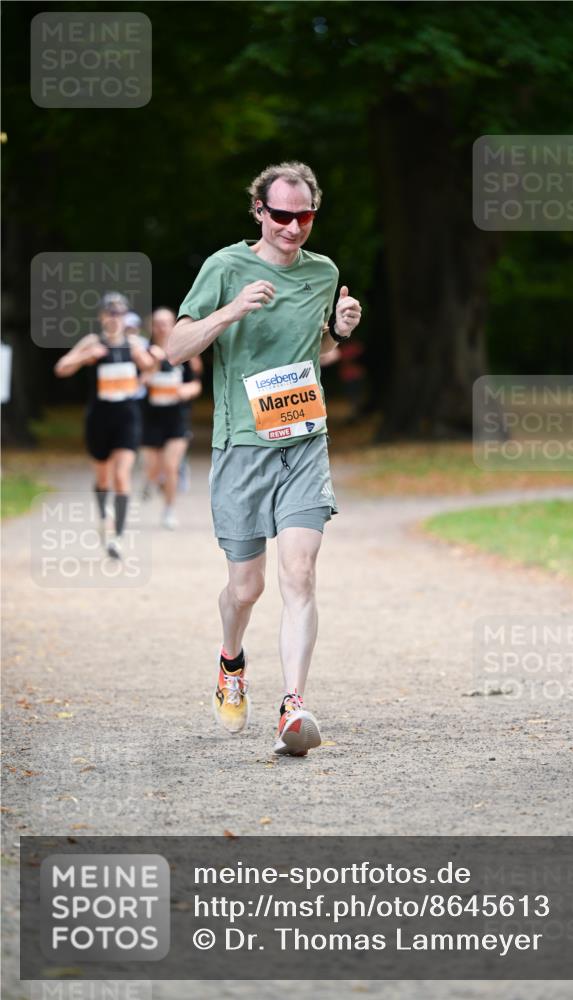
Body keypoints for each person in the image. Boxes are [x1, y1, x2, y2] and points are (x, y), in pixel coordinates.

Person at [168, 161, 361, 755]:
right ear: (259, 211)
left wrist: (340, 329)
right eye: (282, 215)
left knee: (300, 574)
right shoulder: (225, 268)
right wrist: (231, 311)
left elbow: (317, 349)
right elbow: (174, 347)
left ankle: (294, 704)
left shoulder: (323, 272)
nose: (294, 227)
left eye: (305, 216)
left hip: (303, 441)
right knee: (246, 589)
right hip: (242, 447)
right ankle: (231, 659)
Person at [54, 291, 155, 558]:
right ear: (101, 317)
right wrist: (85, 356)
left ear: (125, 317)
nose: (114, 318)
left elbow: (150, 368)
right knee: (103, 478)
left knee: (122, 476)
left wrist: (141, 359)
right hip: (99, 418)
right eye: (110, 313)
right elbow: (61, 367)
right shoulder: (92, 341)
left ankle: (117, 537)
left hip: (127, 418)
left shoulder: (133, 343)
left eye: (119, 313)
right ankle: (103, 517)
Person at [141, 307, 202, 529]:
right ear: (151, 327)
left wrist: (189, 390)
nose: (161, 327)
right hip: (150, 417)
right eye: (157, 323)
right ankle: (152, 480)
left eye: (166, 322)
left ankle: (168, 510)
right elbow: (139, 381)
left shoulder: (184, 352)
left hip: (177, 417)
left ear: (173, 325)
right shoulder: (144, 352)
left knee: (170, 466)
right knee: (152, 468)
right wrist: (154, 364)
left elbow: (196, 382)